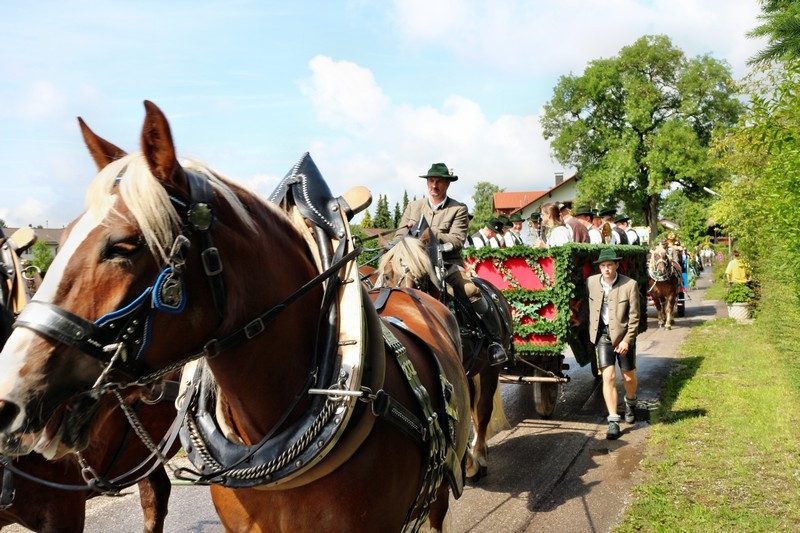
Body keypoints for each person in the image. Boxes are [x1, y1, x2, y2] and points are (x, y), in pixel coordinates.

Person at [399, 162, 507, 365]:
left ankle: (495, 342)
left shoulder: (458, 209)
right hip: (415, 265)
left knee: (471, 291)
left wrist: (426, 231)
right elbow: (399, 235)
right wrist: (406, 234)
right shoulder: (413, 207)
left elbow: (457, 240)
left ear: (447, 184)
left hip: (447, 265)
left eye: (439, 181)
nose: (434, 184)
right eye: (431, 180)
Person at [587, 248, 641, 440]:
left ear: (617, 265)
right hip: (603, 336)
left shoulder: (629, 284)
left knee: (628, 378)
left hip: (624, 336)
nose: (606, 269)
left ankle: (631, 402)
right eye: (603, 265)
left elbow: (635, 317)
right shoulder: (592, 282)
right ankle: (613, 420)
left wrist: (627, 340)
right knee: (608, 377)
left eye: (610, 265)